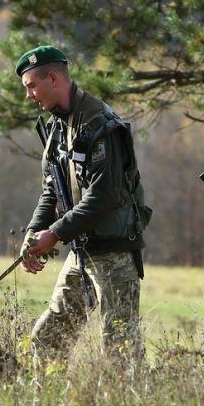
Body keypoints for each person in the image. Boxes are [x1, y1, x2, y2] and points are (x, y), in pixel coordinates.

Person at [17, 44, 152, 363]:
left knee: (121, 350)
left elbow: (103, 196)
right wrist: (34, 232)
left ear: (53, 78)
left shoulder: (99, 124)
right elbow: (51, 189)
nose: (29, 96)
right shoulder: (58, 125)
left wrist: (55, 234)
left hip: (114, 252)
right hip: (81, 250)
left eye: (31, 86)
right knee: (48, 340)